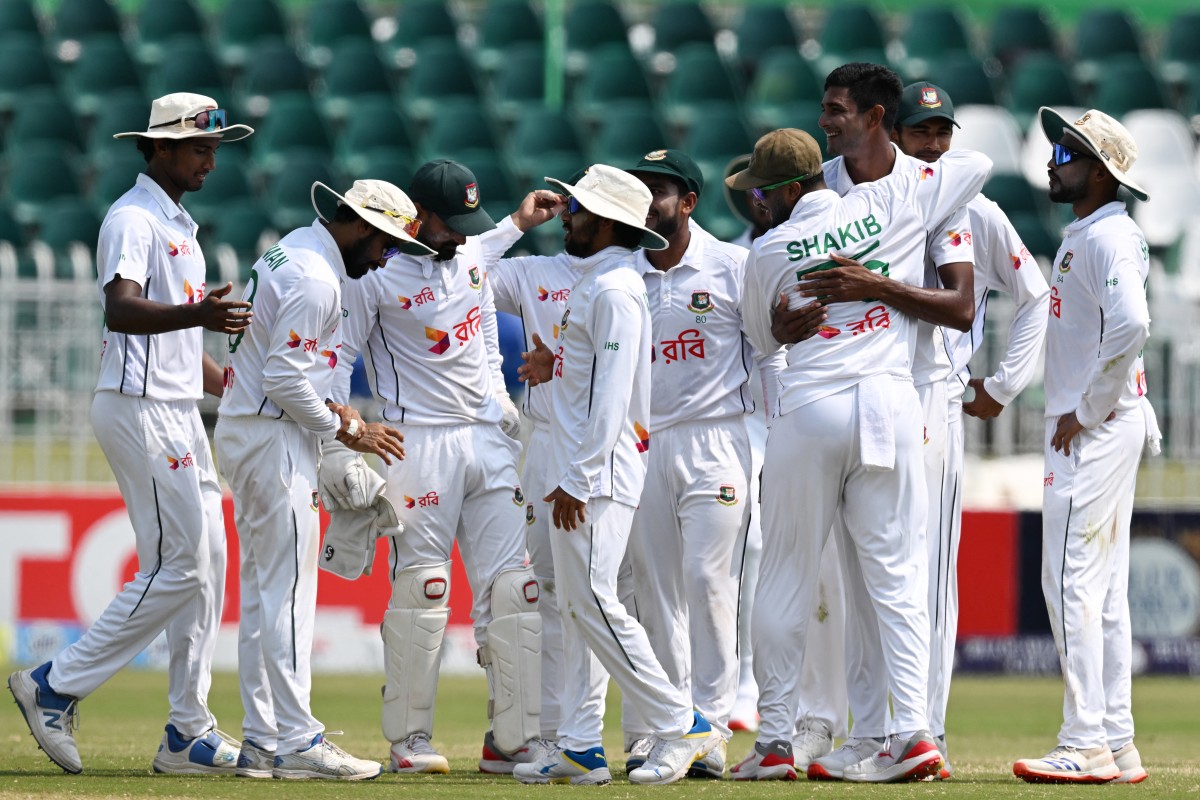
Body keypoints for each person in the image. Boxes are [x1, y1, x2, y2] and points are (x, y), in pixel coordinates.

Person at [730, 127, 990, 783]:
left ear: (789, 189)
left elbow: (763, 340)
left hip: (812, 405)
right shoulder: (887, 202)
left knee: (786, 574)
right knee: (899, 580)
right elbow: (977, 163)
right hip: (889, 407)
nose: (758, 203)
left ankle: (777, 742)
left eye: (763, 190)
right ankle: (913, 733)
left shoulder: (768, 249)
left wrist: (788, 322)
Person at [8, 93, 254, 776]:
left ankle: (188, 733)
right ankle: (54, 684)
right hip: (140, 407)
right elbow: (122, 311)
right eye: (198, 147)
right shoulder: (133, 218)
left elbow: (176, 342)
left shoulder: (177, 222)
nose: (210, 158)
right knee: (180, 566)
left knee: (207, 564)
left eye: (213, 148)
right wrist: (197, 314)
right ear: (160, 148)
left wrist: (234, 386)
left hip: (173, 406)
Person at [330, 160, 563, 775]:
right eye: (451, 223)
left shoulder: (469, 254)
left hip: (487, 439)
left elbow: (485, 328)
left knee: (516, 589)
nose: (462, 234)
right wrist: (341, 440)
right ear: (419, 218)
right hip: (417, 445)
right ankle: (410, 739)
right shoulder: (374, 278)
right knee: (423, 590)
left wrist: (502, 405)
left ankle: (512, 740)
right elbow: (337, 361)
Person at [513, 164, 722, 786]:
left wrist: (578, 477)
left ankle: (681, 722)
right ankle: (580, 746)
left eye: (576, 207)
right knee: (582, 606)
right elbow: (588, 381)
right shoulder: (606, 282)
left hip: (598, 470)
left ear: (605, 223)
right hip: (587, 465)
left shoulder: (615, 291)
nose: (568, 216)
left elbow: (609, 398)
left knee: (593, 601)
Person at [215, 178, 417, 780]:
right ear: (359, 224)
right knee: (291, 593)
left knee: (263, 593)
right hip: (272, 437)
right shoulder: (315, 277)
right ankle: (299, 741)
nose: (388, 258)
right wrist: (347, 431)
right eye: (387, 244)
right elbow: (283, 377)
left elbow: (294, 369)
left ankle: (262, 738)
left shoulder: (292, 248)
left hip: (251, 431)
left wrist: (335, 419)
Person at [891, 81, 1050, 776]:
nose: (932, 144)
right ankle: (874, 726)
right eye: (919, 131)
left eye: (941, 131)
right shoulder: (872, 206)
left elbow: (1036, 295)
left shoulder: (977, 211)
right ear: (891, 133)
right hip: (869, 395)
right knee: (867, 569)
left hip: (934, 399)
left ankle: (928, 729)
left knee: (926, 574)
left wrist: (1003, 384)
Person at [617, 149, 784, 779]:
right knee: (656, 596)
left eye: (657, 190)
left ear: (688, 202)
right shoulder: (621, 273)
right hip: (643, 445)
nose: (645, 201)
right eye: (638, 189)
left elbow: (771, 359)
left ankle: (710, 730)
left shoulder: (734, 266)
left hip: (718, 442)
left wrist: (782, 436)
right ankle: (672, 726)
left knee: (709, 585)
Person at [1012, 107, 1157, 785]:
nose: (1053, 160)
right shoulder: (1092, 232)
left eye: (1067, 152)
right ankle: (1117, 740)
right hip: (1105, 423)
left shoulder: (1108, 238)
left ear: (1100, 172)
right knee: (1099, 592)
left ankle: (1085, 741)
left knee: (1071, 581)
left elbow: (1133, 322)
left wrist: (1088, 407)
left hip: (1093, 429)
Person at [483, 185, 584, 770]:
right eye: (566, 205)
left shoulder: (640, 270)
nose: (569, 215)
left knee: (636, 595)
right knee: (544, 594)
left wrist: (564, 365)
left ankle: (656, 730)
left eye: (581, 206)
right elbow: (464, 274)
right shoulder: (536, 270)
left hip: (627, 442)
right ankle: (543, 732)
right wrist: (516, 222)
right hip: (545, 443)